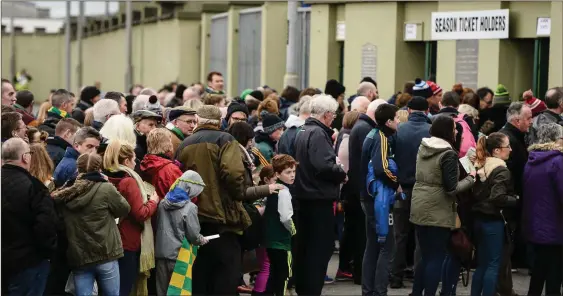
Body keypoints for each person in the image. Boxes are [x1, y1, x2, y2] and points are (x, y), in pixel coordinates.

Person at [175, 105, 252, 295]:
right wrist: (238, 194)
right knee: (225, 275)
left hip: (195, 217)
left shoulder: (184, 144)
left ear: (199, 121)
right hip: (224, 218)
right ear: (220, 121)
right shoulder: (225, 139)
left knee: (201, 274)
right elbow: (234, 174)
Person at [410, 116, 475, 296]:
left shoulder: (424, 146)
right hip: (438, 209)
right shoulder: (448, 153)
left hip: (419, 204)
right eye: (454, 128)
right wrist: (471, 178)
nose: (456, 132)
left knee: (425, 255)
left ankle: (417, 293)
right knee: (436, 257)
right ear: (447, 131)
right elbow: (451, 188)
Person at [52, 153, 130, 296]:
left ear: (78, 169)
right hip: (106, 252)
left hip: (80, 256)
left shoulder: (66, 193)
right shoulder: (106, 188)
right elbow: (124, 208)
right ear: (99, 168)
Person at [293, 95, 347, 295]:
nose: (334, 118)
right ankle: (311, 290)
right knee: (318, 249)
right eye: (333, 114)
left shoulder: (304, 130)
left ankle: (304, 287)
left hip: (306, 196)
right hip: (317, 198)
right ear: (326, 115)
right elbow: (323, 165)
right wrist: (341, 173)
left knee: (307, 248)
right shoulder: (317, 133)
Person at [103, 140, 160, 296]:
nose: (136, 163)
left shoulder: (105, 177)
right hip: (127, 241)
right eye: (134, 159)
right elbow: (140, 213)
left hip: (107, 239)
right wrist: (153, 202)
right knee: (123, 287)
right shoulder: (129, 181)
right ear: (127, 161)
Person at [1, 138, 57, 295]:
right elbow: (45, 226)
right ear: (25, 157)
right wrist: (49, 252)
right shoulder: (35, 187)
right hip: (27, 262)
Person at [390, 96, 431, 288]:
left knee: (400, 235)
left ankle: (396, 277)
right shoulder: (431, 130)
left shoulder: (399, 130)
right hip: (424, 189)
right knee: (421, 237)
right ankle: (418, 277)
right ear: (426, 111)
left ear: (408, 111)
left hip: (402, 189)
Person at [360, 103, 401, 296]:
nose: (399, 121)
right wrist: (396, 183)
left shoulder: (370, 134)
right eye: (397, 118)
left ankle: (368, 290)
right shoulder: (382, 138)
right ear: (389, 121)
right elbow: (381, 169)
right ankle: (379, 290)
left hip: (367, 197)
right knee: (387, 246)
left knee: (372, 245)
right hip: (380, 200)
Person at [471, 132, 518, 296]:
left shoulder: (480, 165)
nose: (510, 150)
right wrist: (516, 200)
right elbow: (497, 197)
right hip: (493, 220)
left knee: (481, 264)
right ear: (497, 150)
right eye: (507, 146)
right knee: (493, 264)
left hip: (477, 219)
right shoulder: (500, 170)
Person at [522, 123, 563, 296]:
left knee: (539, 271)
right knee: (555, 274)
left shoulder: (532, 160)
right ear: (558, 139)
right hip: (556, 226)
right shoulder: (558, 161)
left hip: (536, 224)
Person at [155, 170, 209, 296]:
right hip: (179, 257)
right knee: (178, 291)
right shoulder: (190, 207)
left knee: (162, 291)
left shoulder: (163, 203)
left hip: (161, 254)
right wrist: (201, 240)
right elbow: (193, 235)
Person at [345, 96, 380, 285]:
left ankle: (360, 273)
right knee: (362, 236)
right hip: (362, 189)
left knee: (360, 234)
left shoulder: (360, 126)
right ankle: (362, 275)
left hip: (358, 188)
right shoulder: (366, 129)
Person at [263, 154, 298, 296]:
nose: (292, 175)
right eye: (288, 172)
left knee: (274, 273)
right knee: (284, 275)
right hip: (281, 241)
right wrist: (293, 230)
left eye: (294, 171)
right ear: (277, 174)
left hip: (270, 239)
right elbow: (285, 217)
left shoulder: (272, 189)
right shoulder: (284, 192)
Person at [140, 128, 183, 200]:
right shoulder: (170, 169)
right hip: (169, 208)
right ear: (168, 144)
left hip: (153, 207)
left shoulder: (145, 163)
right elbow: (183, 194)